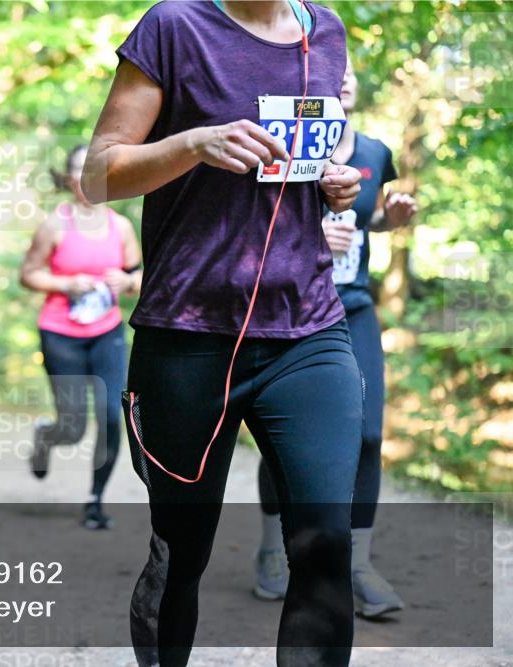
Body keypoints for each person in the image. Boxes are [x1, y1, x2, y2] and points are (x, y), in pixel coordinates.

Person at [83, 1, 363, 665]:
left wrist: (334, 183)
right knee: (182, 551)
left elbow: (305, 156)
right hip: (188, 335)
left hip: (308, 327)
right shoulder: (172, 27)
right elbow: (98, 175)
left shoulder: (325, 30)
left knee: (325, 544)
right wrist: (191, 143)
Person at [253, 56, 419, 618]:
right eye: (332, 68)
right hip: (290, 309)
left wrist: (387, 223)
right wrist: (311, 238)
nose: (343, 76)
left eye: (350, 71)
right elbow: (254, 221)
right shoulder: (282, 143)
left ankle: (359, 565)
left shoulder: (374, 153)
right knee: (282, 433)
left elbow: (363, 219)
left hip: (352, 308)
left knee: (369, 436)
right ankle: (274, 551)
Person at [19, 144, 142, 530]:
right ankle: (47, 437)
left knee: (110, 416)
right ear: (69, 178)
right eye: (79, 169)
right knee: (72, 426)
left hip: (106, 333)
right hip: (60, 334)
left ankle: (95, 499)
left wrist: (126, 280)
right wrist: (66, 283)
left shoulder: (120, 226)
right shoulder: (55, 224)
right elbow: (28, 274)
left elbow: (140, 278)